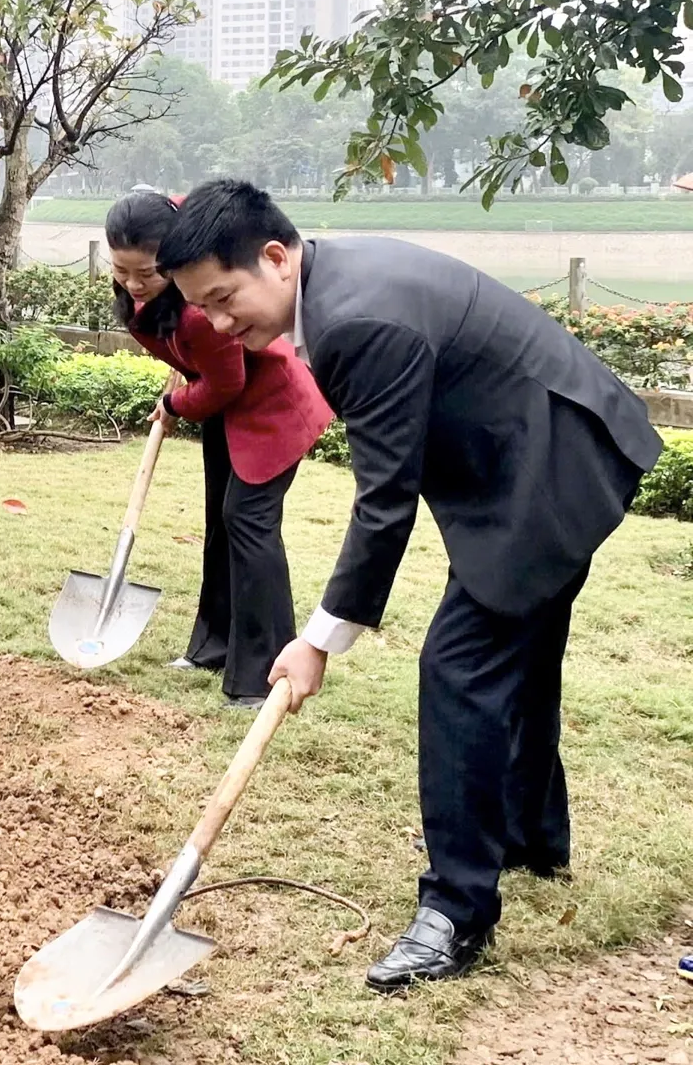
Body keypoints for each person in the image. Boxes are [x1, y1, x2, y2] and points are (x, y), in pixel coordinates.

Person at [157, 179, 662, 992]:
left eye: (223, 298)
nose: (218, 325)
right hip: (543, 457)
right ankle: (534, 836)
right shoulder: (336, 286)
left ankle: (457, 911)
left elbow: (383, 500)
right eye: (202, 310)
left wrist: (318, 640)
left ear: (276, 257)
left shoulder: (358, 319)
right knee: (518, 655)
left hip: (550, 471)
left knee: (460, 668)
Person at [104, 189, 332, 707]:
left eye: (149, 273)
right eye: (123, 271)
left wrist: (178, 404)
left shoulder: (197, 315)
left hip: (272, 410)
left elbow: (225, 382)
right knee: (221, 525)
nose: (135, 285)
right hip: (230, 417)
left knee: (249, 526)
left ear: (177, 262)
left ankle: (265, 674)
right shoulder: (162, 290)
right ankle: (213, 647)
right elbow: (180, 202)